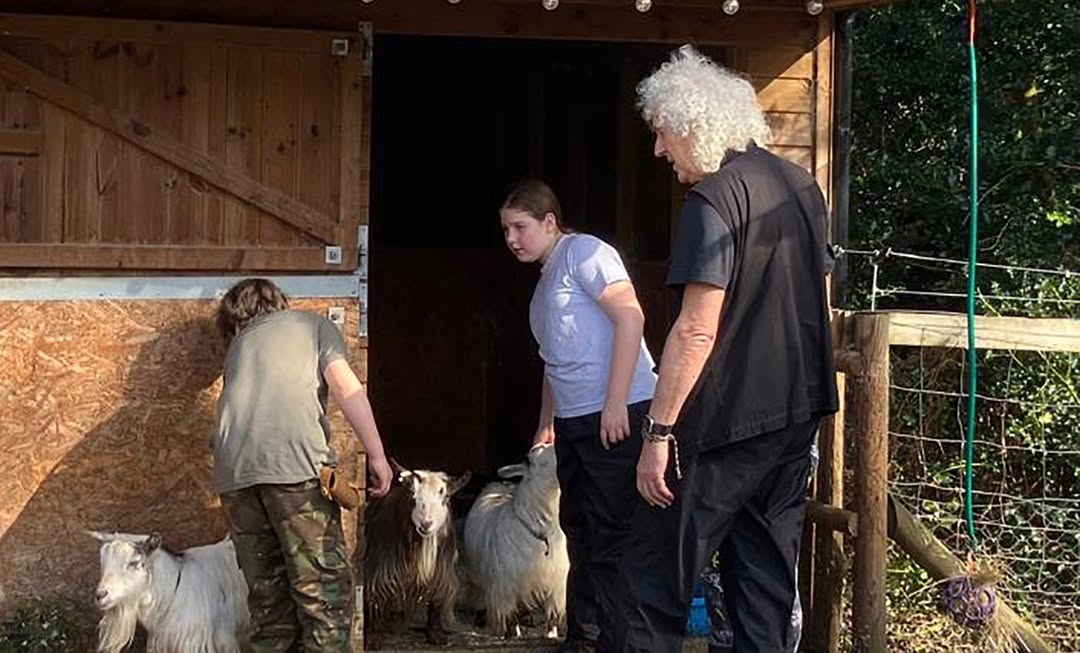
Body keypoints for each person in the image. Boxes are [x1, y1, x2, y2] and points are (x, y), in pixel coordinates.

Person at [617, 45, 838, 653]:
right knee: (764, 588)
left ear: (692, 125)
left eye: (662, 133)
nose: (658, 150)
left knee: (651, 581)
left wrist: (658, 434)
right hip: (797, 416)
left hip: (722, 426)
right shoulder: (801, 186)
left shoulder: (713, 201)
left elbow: (696, 329)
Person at [499, 179, 658, 653]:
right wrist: (546, 422)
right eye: (506, 229)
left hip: (616, 414)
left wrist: (615, 402)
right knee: (578, 528)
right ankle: (583, 636)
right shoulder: (544, 283)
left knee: (612, 534)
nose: (511, 239)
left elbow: (630, 317)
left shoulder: (585, 253)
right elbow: (556, 359)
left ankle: (618, 641)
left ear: (550, 221)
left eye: (520, 227)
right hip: (573, 421)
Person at [211, 278, 393, 653]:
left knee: (269, 603)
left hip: (235, 480)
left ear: (237, 321)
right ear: (280, 304)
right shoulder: (314, 326)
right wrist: (376, 454)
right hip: (294, 472)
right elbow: (345, 387)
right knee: (324, 597)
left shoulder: (239, 349)